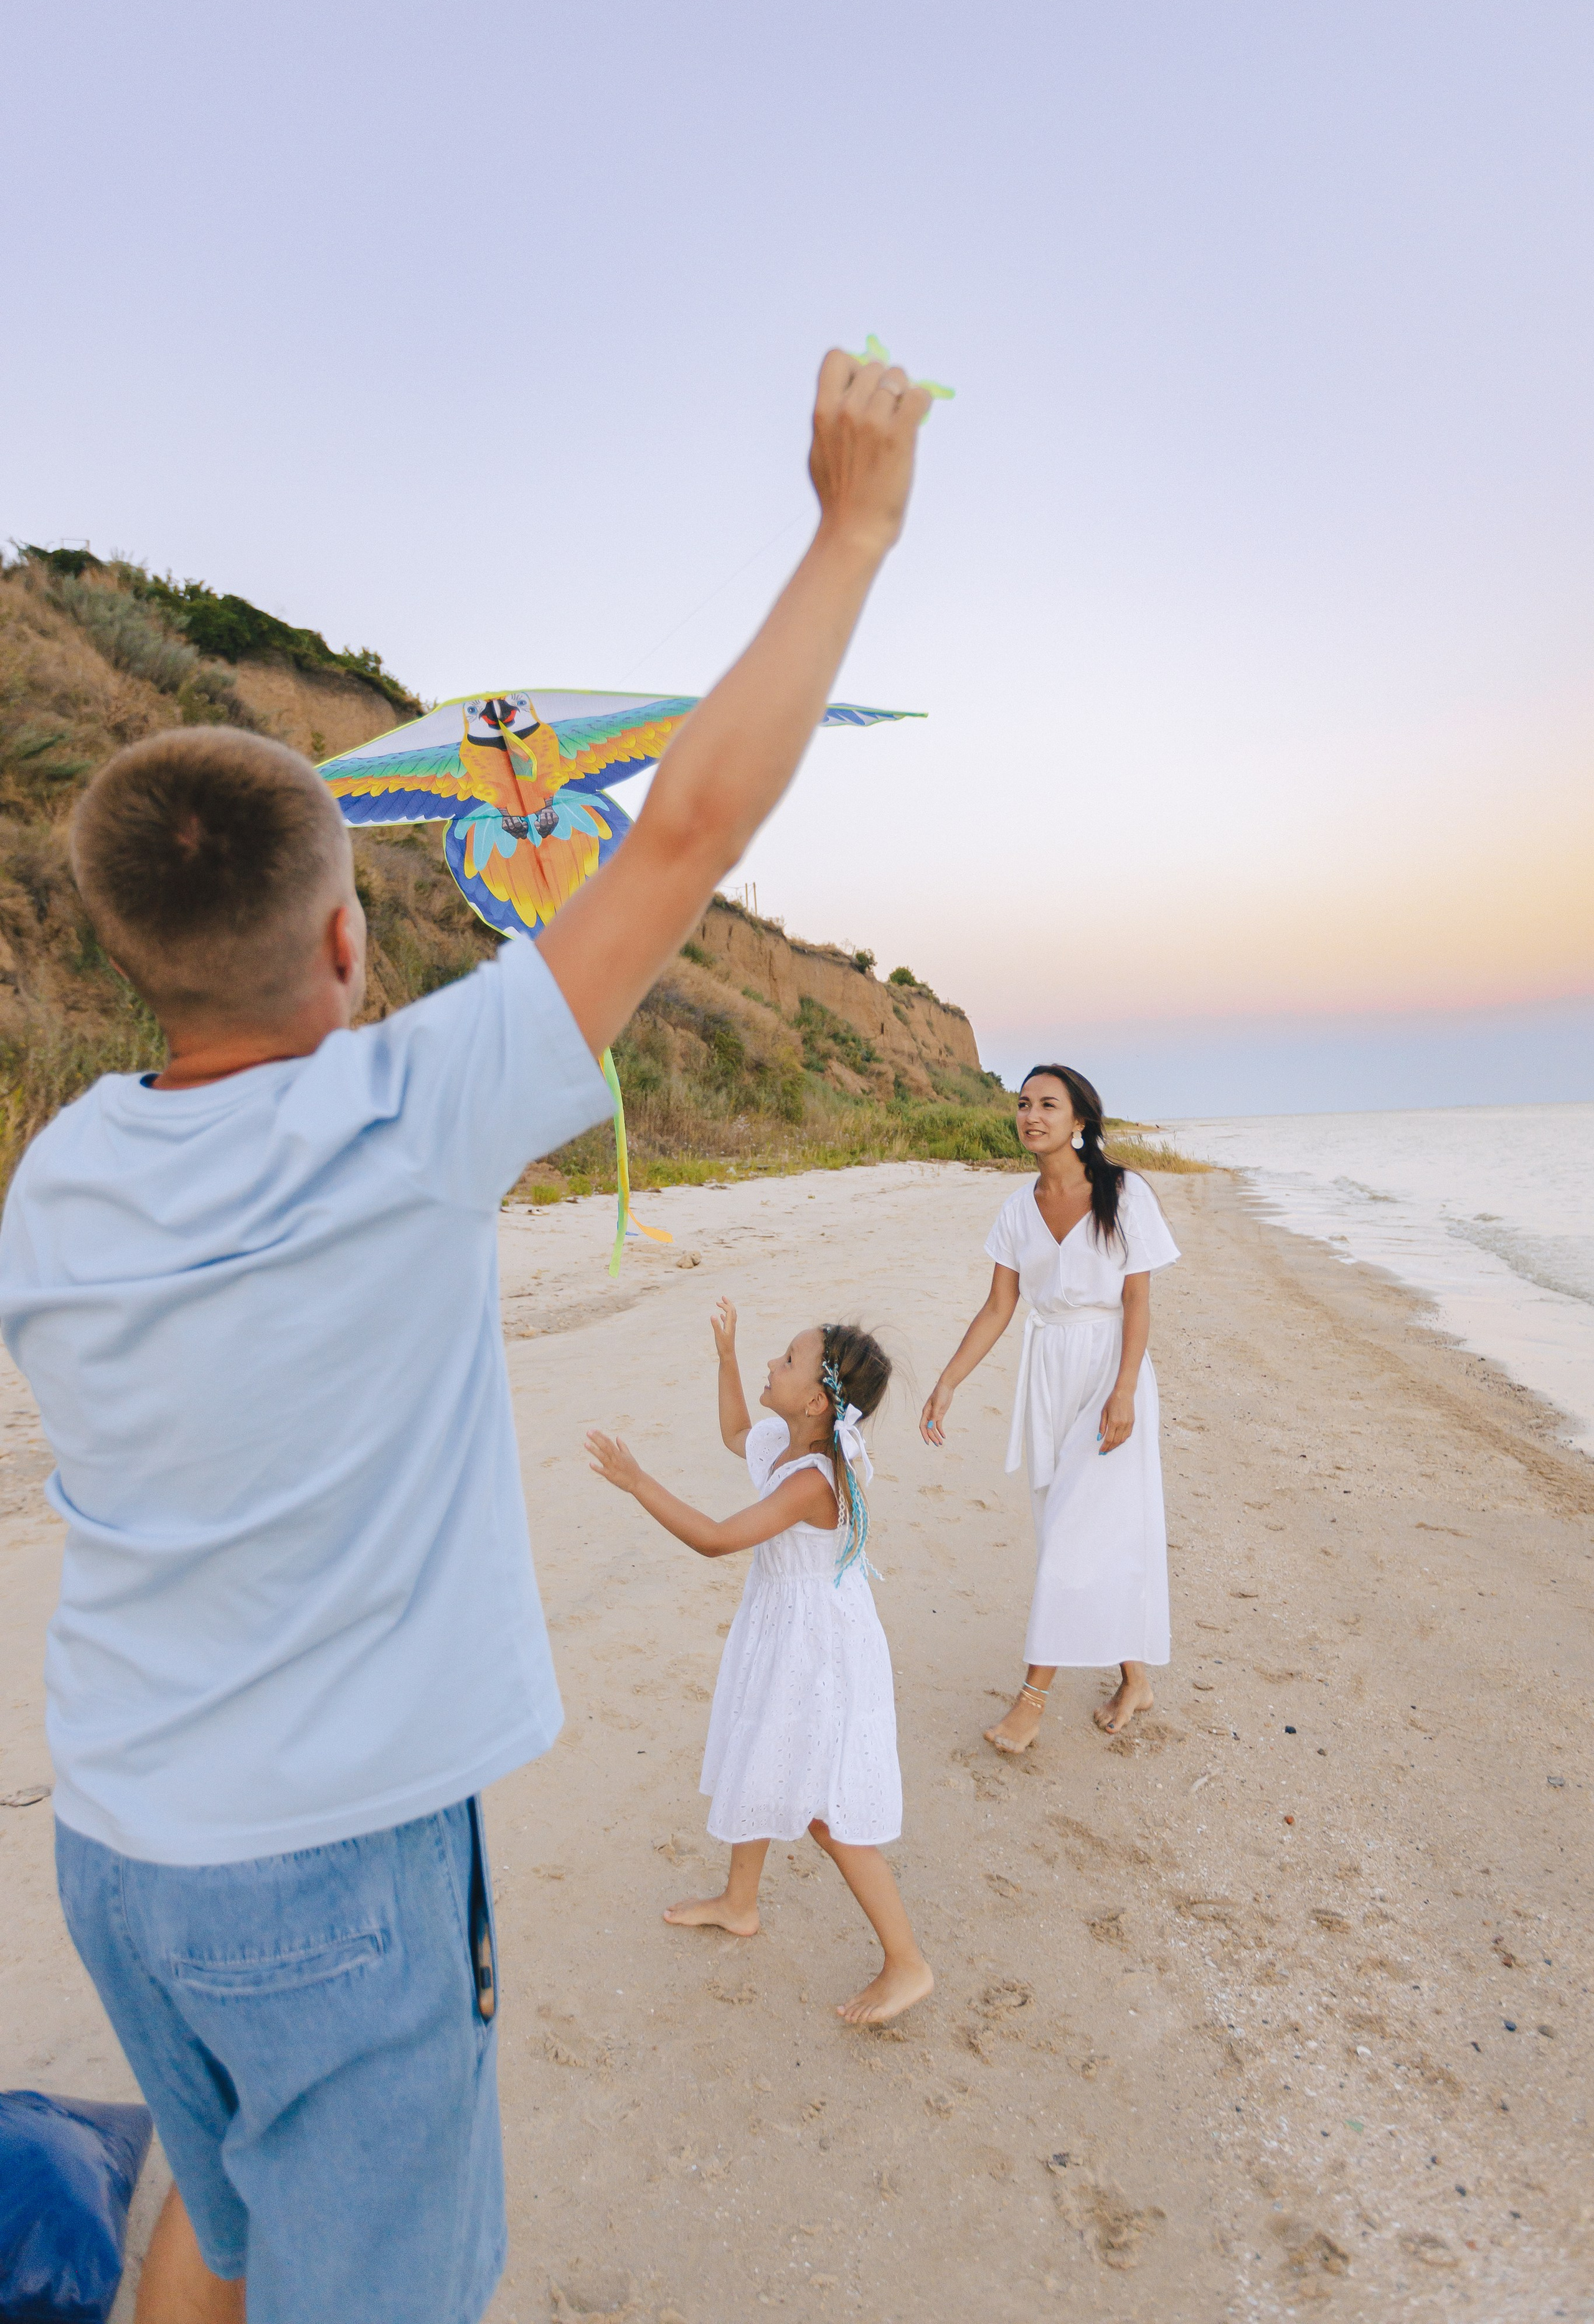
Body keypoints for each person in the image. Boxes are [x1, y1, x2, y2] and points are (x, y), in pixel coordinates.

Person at [0, 350, 933, 2324]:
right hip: (322, 1874)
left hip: (116, 1844)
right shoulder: (401, 1117)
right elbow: (675, 830)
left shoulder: (62, 1174)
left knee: (225, 2212)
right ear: (347, 943)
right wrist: (853, 525)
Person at [585, 1299, 933, 2027]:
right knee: (760, 1750)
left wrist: (637, 1481)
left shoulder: (812, 1481)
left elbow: (715, 1539)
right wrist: (724, 1358)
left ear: (815, 1400)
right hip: (784, 1628)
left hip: (820, 1649)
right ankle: (739, 1904)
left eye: (785, 1359)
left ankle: (907, 1962)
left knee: (828, 1812)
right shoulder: (784, 1437)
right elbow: (736, 1432)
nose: (769, 1365)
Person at [920, 1065, 1179, 1751]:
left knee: (1072, 1536)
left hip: (1108, 1373)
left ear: (1080, 1121)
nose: (1031, 1115)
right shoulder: (1016, 1208)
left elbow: (1138, 1301)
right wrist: (949, 1381)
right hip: (1047, 1377)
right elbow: (1000, 1306)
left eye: (1048, 1105)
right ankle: (1136, 1678)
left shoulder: (1124, 1194)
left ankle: (1030, 1703)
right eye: (1023, 1104)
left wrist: (1123, 1388)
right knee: (1075, 1530)